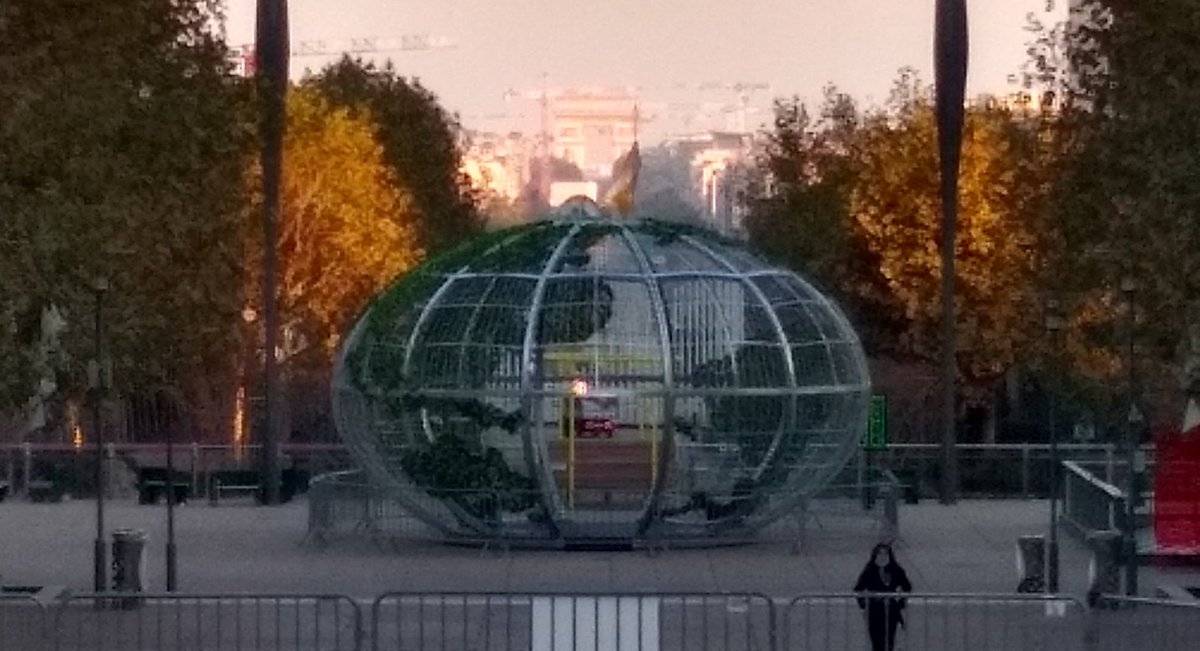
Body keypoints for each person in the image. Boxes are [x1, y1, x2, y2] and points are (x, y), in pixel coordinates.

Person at [854, 542, 912, 651]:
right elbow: (858, 589)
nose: (882, 557)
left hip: (891, 611)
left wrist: (900, 603)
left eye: (885, 554)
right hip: (874, 611)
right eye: (879, 554)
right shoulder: (869, 571)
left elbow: (907, 587)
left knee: (889, 641)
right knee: (877, 643)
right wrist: (864, 604)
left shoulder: (896, 570)